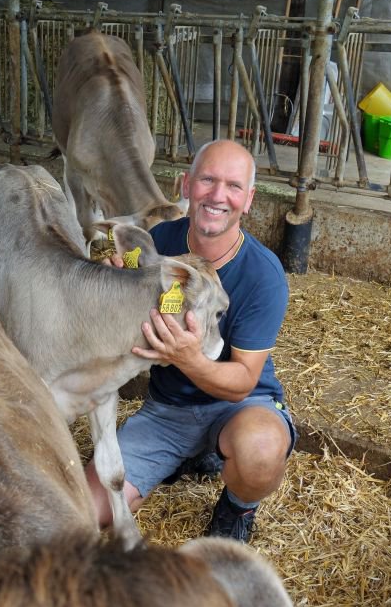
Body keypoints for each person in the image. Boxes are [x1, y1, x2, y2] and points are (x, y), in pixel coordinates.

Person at [85, 139, 296, 543]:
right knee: (84, 512)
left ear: (248, 200)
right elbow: (123, 288)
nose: (218, 196)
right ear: (186, 185)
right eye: (207, 180)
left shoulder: (263, 274)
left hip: (239, 406)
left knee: (261, 452)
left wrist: (188, 358)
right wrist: (116, 281)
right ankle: (191, 454)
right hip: (169, 412)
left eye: (233, 186)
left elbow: (243, 381)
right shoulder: (159, 241)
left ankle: (237, 507)